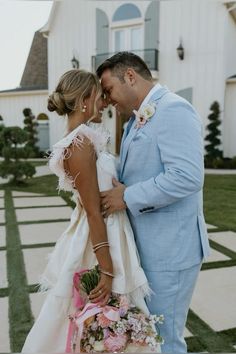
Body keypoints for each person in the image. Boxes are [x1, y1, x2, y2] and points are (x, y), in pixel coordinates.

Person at [21, 69, 157, 353]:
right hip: (99, 238)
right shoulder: (80, 144)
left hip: (111, 230)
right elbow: (94, 212)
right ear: (85, 99)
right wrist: (107, 271)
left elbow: (97, 192)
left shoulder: (86, 139)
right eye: (99, 96)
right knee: (91, 317)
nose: (105, 102)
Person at [96, 51, 210, 354]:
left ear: (130, 76)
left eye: (108, 90)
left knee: (164, 339)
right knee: (148, 336)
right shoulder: (136, 120)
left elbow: (187, 177)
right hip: (148, 247)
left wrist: (127, 196)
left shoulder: (174, 110)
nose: (107, 100)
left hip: (171, 252)